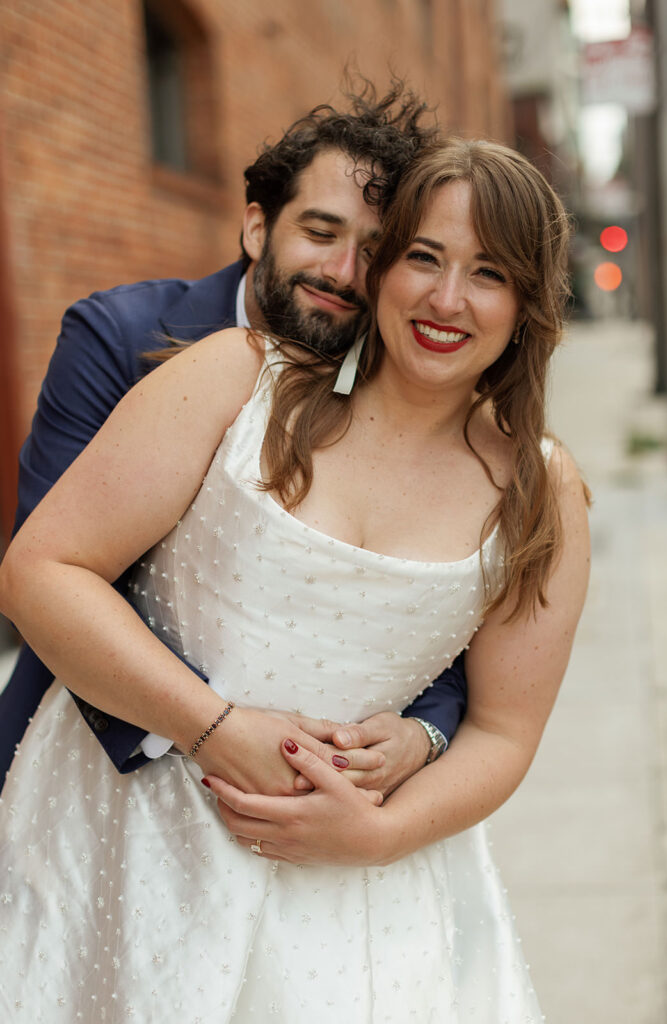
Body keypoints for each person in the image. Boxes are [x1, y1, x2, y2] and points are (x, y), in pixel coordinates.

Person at [0, 137, 590, 1020]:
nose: (446, 299)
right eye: (422, 257)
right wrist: (212, 729)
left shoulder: (539, 490)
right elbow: (42, 570)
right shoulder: (237, 381)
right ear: (380, 268)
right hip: (121, 845)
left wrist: (379, 833)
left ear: (529, 303)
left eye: (489, 274)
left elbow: (504, 731)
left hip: (357, 895)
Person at [0, 79, 467, 796]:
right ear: (257, 228)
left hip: (315, 792)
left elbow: (437, 600)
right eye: (320, 233)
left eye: (375, 252)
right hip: (89, 762)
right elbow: (53, 577)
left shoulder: (395, 384)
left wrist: (422, 732)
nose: (342, 273)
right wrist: (219, 733)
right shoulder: (118, 339)